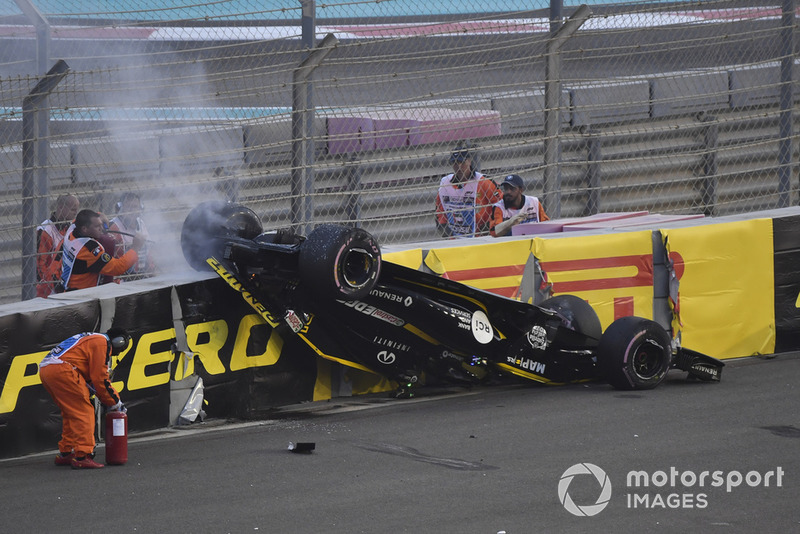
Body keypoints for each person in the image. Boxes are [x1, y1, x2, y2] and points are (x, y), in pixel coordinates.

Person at [38, 328, 130, 468]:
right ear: (119, 342)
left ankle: (66, 452)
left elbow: (92, 380)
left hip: (47, 370)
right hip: (63, 369)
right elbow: (101, 380)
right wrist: (116, 403)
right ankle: (82, 456)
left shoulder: (93, 339)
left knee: (71, 412)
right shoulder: (102, 343)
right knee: (84, 411)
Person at [59, 209, 145, 292]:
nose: (102, 228)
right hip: (82, 296)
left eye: (101, 224)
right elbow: (117, 267)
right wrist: (135, 248)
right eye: (97, 226)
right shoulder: (89, 250)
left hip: (69, 288)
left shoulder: (72, 229)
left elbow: (80, 218)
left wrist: (99, 215)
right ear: (84, 229)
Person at [435, 142, 502, 238]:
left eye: (462, 162)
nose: (458, 166)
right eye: (454, 163)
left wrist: (490, 225)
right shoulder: (445, 183)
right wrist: (443, 227)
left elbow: (500, 203)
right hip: (455, 239)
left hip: (482, 236)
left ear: (469, 161)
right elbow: (439, 208)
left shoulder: (484, 182)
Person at [36, 194, 80, 297]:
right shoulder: (46, 230)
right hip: (49, 287)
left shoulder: (71, 227)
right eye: (73, 209)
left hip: (65, 281)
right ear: (61, 207)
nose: (76, 213)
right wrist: (50, 286)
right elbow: (40, 264)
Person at [108, 192, 155, 279]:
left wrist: (151, 271)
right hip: (122, 276)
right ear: (120, 208)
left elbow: (148, 251)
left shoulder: (140, 223)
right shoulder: (114, 227)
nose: (132, 210)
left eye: (135, 207)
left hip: (141, 273)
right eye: (128, 207)